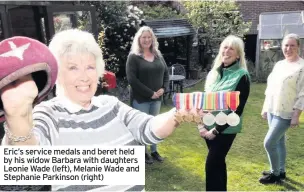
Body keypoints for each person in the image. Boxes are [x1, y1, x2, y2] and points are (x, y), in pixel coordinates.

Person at [0, 29, 203, 191]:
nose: (85, 77)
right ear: (57, 74)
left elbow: (148, 128)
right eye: (72, 68)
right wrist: (18, 116)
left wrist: (176, 114)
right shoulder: (48, 114)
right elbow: (27, 165)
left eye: (90, 67)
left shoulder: (111, 105)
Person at [199, 35, 250, 191]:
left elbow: (237, 110)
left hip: (225, 129)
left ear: (238, 54)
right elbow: (203, 102)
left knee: (212, 164)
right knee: (218, 163)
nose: (227, 51)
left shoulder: (242, 76)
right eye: (224, 47)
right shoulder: (213, 73)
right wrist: (201, 125)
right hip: (207, 127)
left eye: (231, 48)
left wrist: (216, 130)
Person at [259, 33, 304, 184]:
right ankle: (281, 170)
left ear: (298, 46)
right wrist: (266, 108)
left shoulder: (302, 67)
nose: (288, 48)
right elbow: (270, 88)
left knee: (269, 142)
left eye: (292, 45)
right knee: (279, 142)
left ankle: (275, 173)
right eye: (286, 45)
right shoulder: (279, 65)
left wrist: (296, 115)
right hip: (273, 108)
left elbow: (302, 94)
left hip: (286, 112)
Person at [126, 26, 169, 164]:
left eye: (149, 37)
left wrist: (163, 88)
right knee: (142, 126)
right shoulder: (133, 57)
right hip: (141, 99)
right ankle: (143, 153)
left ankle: (154, 151)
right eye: (143, 37)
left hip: (157, 99)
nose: (146, 40)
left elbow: (166, 74)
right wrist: (150, 93)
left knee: (155, 125)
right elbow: (132, 80)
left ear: (153, 39)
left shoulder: (158, 55)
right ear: (139, 39)